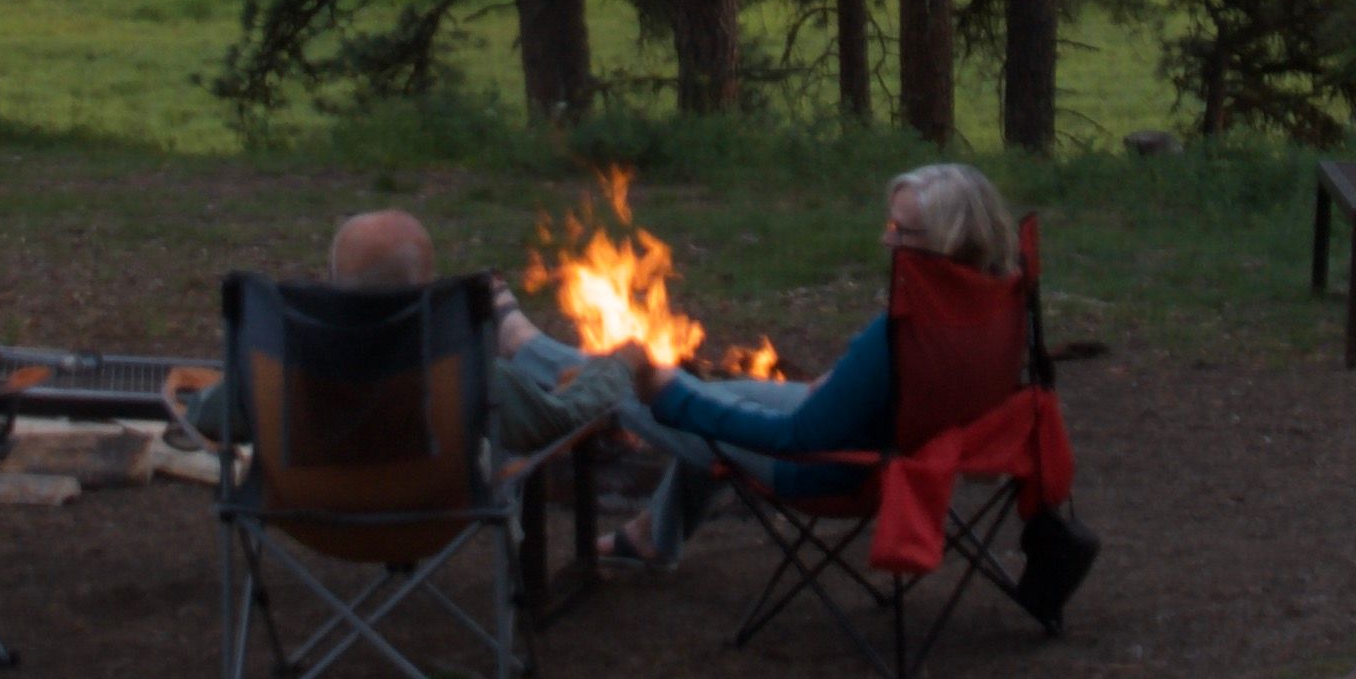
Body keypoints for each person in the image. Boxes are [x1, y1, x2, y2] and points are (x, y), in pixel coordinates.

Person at [638, 161, 1020, 509]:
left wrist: (672, 398)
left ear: (945, 243)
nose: (886, 241)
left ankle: (591, 373)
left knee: (628, 392)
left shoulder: (901, 335)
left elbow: (797, 439)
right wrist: (847, 386)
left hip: (831, 472)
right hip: (891, 447)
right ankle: (649, 536)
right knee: (719, 396)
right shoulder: (997, 312)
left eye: (901, 231)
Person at [325, 208, 659, 454]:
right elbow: (559, 421)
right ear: (425, 293)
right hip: (432, 517)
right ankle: (518, 337)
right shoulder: (461, 366)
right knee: (499, 436)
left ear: (332, 285)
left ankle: (520, 338)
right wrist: (619, 364)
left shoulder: (290, 356)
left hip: (317, 518)